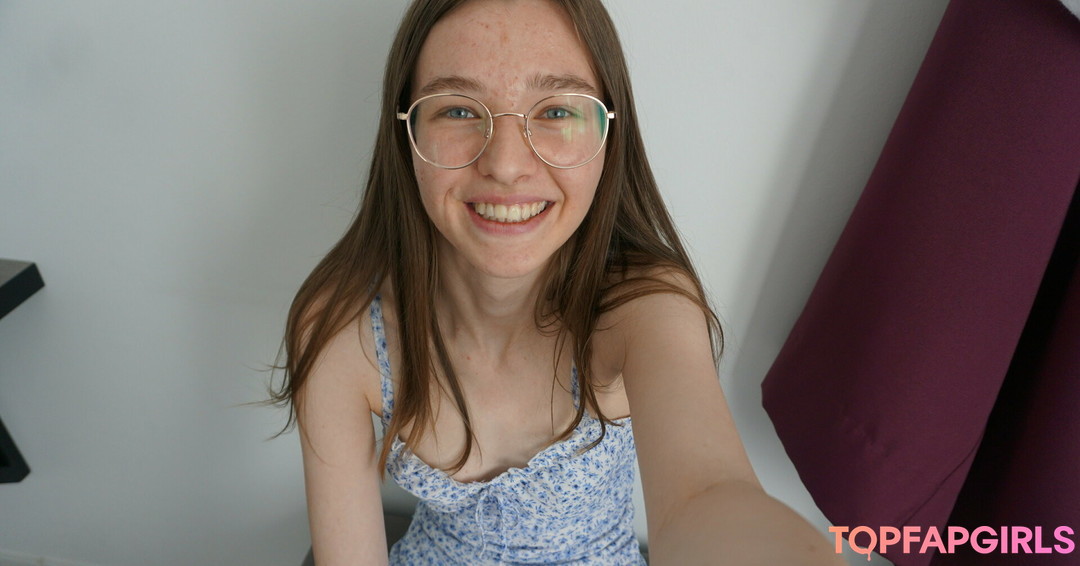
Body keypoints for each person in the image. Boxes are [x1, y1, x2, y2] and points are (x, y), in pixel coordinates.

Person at [272, 0, 844, 564]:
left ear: (608, 135)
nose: (505, 165)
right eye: (459, 110)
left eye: (556, 111)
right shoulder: (340, 328)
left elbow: (708, 495)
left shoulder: (642, 308)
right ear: (407, 134)